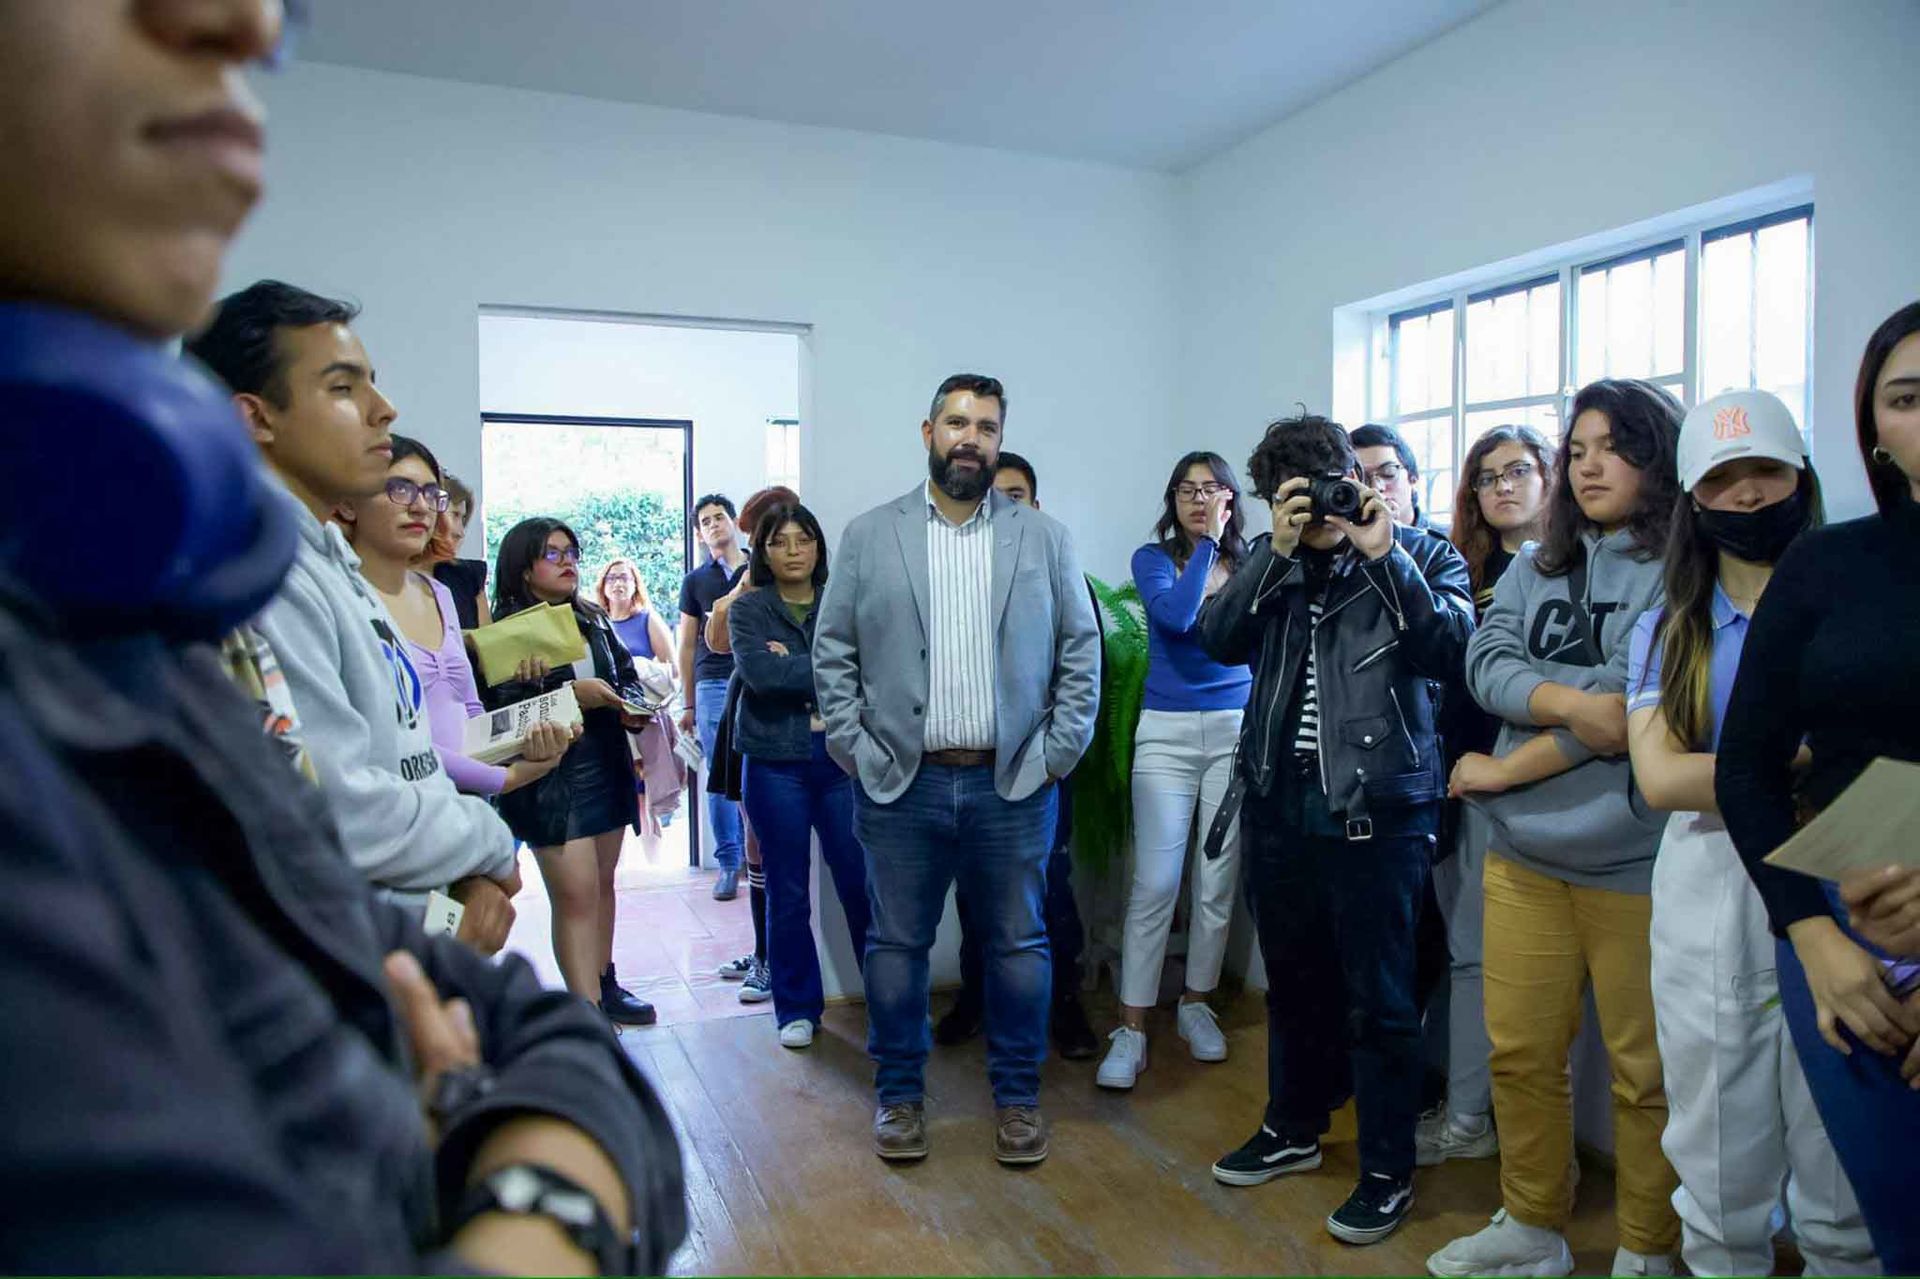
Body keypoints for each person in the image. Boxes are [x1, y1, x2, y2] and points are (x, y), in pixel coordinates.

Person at [0, 1, 682, 1270]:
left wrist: (498, 1139)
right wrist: (525, 1187)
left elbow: (543, 1045)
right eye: (346, 387)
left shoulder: (133, 617)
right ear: (246, 420)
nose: (245, 20)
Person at [1199, 413, 1473, 1247]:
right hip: (1280, 804)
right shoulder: (1269, 561)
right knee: (1294, 983)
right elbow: (1217, 639)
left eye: (1326, 484)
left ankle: (1388, 1168)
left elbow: (1451, 649)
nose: (1317, 505)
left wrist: (1382, 552)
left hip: (1380, 809)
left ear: (1351, 473)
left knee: (1382, 1001)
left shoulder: (1422, 553)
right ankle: (1292, 1124)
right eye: (1294, 493)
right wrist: (1273, 555)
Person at [814, 373, 1101, 1166]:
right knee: (898, 946)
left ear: (999, 439)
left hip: (1013, 785)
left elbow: (1082, 651)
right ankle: (899, 1096)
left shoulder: (1045, 539)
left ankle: (1016, 1099)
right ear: (928, 431)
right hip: (903, 783)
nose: (970, 437)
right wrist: (855, 744)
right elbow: (832, 651)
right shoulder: (872, 535)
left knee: (1017, 946)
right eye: (956, 422)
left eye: (986, 426)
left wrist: (1056, 753)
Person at [1430, 380, 1683, 1279]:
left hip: (1637, 863)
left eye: (1612, 446)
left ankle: (1649, 1245)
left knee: (1644, 1074)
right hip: (1524, 858)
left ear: (1657, 456)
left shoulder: (1679, 567)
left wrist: (1504, 764)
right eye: (1576, 450)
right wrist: (1571, 700)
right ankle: (1533, 1221)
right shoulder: (1535, 563)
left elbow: (1634, 703)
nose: (1588, 465)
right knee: (1521, 1054)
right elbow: (1485, 663)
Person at [190, 281, 523, 953]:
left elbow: (405, 757)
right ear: (254, 418)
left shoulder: (327, 560)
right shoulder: (260, 571)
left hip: (408, 923)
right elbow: (342, 813)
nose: (384, 409)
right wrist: (486, 841)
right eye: (344, 389)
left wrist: (465, 871)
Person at [1623, 390, 1873, 1276]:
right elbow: (1658, 778)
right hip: (1709, 887)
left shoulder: (1863, 607)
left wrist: (1746, 765)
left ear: (1801, 476)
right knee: (1721, 1167)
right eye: (1723, 478)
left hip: (1852, 882)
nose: (1748, 494)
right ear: (1694, 497)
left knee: (1843, 1169)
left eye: (1765, 470)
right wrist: (1808, 765)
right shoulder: (1669, 627)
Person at [1717, 301, 1920, 1275]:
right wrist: (1814, 935)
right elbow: (1744, 767)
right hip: (1849, 938)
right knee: (1901, 1227)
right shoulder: (1827, 568)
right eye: (1910, 398)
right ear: (1874, 432)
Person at [1418, 424, 1556, 1168]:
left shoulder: (1569, 569)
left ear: (1548, 477)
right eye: (1487, 477)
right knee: (1464, 953)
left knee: (1510, 962)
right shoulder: (1454, 567)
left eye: (1519, 470)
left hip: (1546, 781)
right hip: (1457, 783)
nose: (1502, 486)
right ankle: (1468, 1113)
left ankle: (1484, 1120)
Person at [937, 452, 1099, 1061]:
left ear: (1035, 504)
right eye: (995, 495)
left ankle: (1065, 1005)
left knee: (1049, 891)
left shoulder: (1058, 568)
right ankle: (974, 997)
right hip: (967, 771)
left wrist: (1056, 756)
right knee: (973, 894)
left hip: (1040, 768)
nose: (1005, 505)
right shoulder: (958, 574)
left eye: (1017, 495)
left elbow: (1082, 672)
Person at [1097, 451, 1252, 1089]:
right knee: (1157, 881)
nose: (1197, 499)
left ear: (1231, 497)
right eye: (1187, 491)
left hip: (1233, 731)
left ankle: (1196, 1004)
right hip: (1164, 732)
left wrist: (1223, 555)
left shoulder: (1251, 564)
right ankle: (1131, 1026)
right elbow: (1177, 618)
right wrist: (1208, 545)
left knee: (1216, 882)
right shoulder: (1155, 559)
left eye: (1211, 489)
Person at [486, 519, 658, 1026]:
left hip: (606, 758)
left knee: (603, 884)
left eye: (572, 553)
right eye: (553, 554)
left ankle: (605, 985)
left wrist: (630, 703)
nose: (568, 563)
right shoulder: (506, 630)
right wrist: (569, 696)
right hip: (550, 773)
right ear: (522, 568)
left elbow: (624, 674)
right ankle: (585, 1015)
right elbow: (497, 712)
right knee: (576, 893)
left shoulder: (593, 618)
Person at [340, 434, 575, 798]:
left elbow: (469, 705)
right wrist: (506, 778)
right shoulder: (343, 596)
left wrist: (526, 740)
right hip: (399, 808)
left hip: (466, 802)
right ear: (349, 503)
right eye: (399, 490)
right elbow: (389, 735)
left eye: (432, 494)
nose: (420, 508)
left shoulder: (440, 593)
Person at [729, 501, 872, 1049]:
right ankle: (796, 1007)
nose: (793, 551)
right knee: (787, 890)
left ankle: (887, 1006)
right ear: (763, 551)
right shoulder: (749, 609)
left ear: (818, 547)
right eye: (780, 541)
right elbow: (762, 676)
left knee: (860, 883)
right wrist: (825, 664)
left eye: (803, 539)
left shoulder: (843, 600)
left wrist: (795, 659)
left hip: (839, 760)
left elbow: (866, 669)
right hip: (772, 762)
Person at [703, 485, 798, 1003]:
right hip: (747, 708)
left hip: (793, 724)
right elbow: (718, 640)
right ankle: (762, 953)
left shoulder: (810, 577)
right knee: (753, 839)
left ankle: (774, 956)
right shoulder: (745, 583)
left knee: (777, 846)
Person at [678, 493, 749, 900]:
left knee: (755, 767)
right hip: (711, 682)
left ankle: (758, 852)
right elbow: (687, 644)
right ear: (700, 534)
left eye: (719, 517)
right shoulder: (696, 581)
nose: (713, 525)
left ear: (734, 521)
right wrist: (687, 703)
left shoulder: (760, 567)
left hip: (755, 677)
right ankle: (728, 863)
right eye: (705, 522)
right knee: (719, 772)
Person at [428, 469, 490, 629]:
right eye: (455, 515)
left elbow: (488, 645)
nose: (460, 532)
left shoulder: (468, 575)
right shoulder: (394, 577)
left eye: (463, 519)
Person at [1353, 422, 1440, 532]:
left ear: (1413, 480)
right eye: (1362, 477)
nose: (1375, 487)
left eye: (1389, 472)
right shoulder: (1344, 543)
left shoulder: (1449, 543)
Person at [599, 558, 675, 670]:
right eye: (611, 578)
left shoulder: (648, 619)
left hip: (640, 686)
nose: (618, 583)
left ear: (635, 584)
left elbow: (672, 669)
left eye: (624, 578)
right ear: (603, 585)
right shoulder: (597, 621)